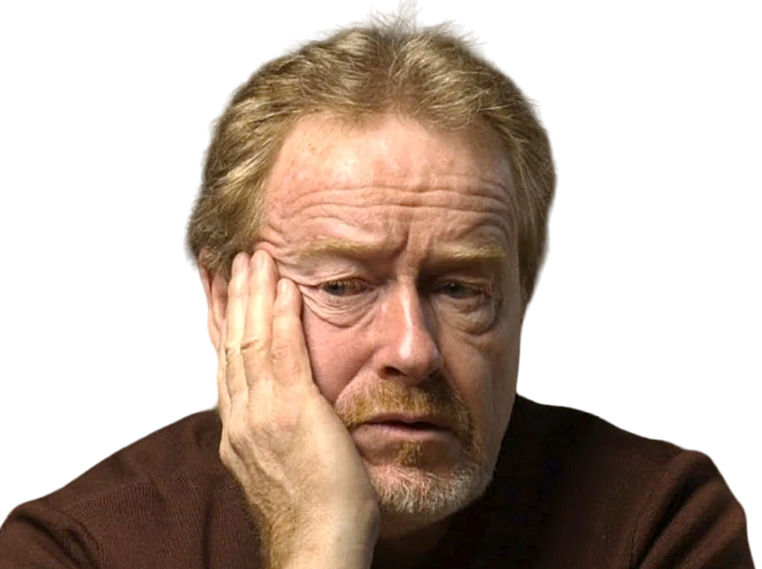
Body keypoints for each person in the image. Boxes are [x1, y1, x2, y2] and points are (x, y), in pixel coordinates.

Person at [1, 2, 754, 568]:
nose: (413, 351)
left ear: (525, 297)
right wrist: (317, 539)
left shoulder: (658, 524)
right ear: (226, 303)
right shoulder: (82, 546)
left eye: (461, 289)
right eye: (343, 285)